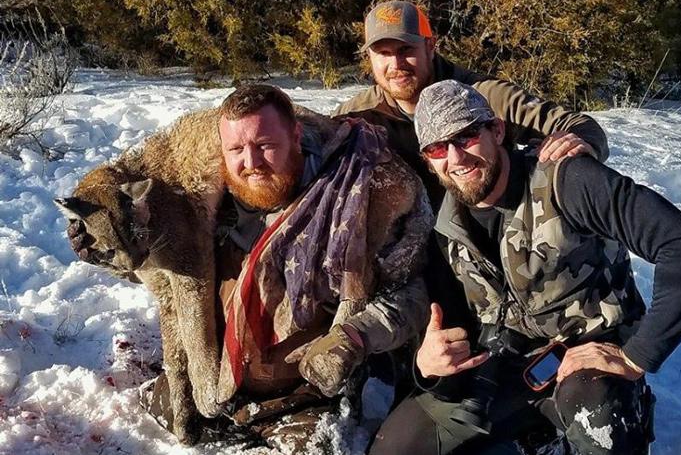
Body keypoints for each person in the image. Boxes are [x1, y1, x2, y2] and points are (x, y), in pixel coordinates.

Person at [70, 84, 434, 451]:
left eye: (265, 145)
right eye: (236, 149)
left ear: (295, 135)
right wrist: (107, 256)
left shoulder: (357, 195)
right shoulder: (205, 198)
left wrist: (355, 337)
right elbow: (162, 278)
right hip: (217, 386)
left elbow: (411, 295)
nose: (251, 162)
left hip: (301, 395)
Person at [369, 80, 681, 455]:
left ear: (497, 130)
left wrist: (637, 355)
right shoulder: (444, 230)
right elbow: (451, 325)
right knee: (396, 448)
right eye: (439, 147)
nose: (456, 158)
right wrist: (429, 366)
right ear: (428, 160)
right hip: (508, 363)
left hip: (590, 359)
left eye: (467, 135)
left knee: (598, 424)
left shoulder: (566, 180)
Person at [335, 0, 605, 208]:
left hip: (484, 243)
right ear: (369, 57)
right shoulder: (359, 114)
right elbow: (306, 147)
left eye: (406, 50)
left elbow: (579, 125)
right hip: (407, 251)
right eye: (383, 53)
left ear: (430, 46)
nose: (396, 65)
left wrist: (579, 143)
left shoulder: (480, 96)